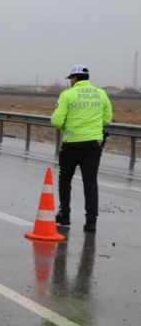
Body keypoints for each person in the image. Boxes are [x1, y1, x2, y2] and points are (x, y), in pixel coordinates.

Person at [51, 65, 113, 232]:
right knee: (90, 182)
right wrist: (92, 127)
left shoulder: (67, 95)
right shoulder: (101, 94)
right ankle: (91, 222)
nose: (70, 81)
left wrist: (70, 125)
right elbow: (107, 118)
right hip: (93, 144)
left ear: (75, 78)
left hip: (72, 143)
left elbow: (56, 121)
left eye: (71, 78)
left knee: (65, 179)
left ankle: (65, 216)